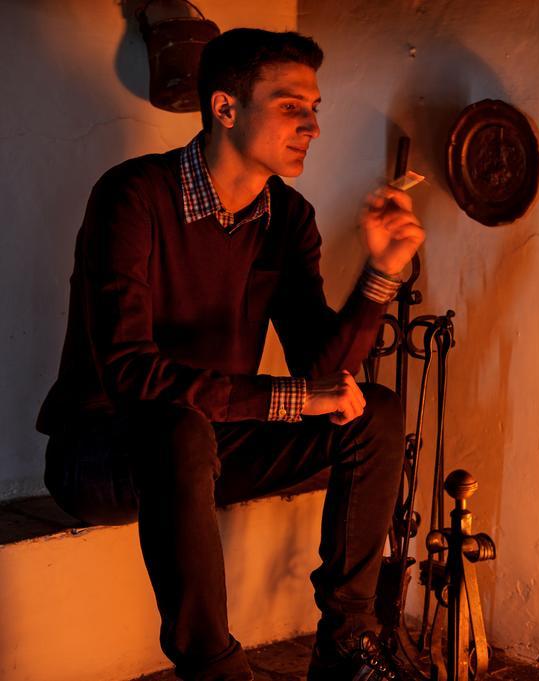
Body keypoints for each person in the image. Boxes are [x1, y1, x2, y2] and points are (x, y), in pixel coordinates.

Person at [36, 28, 424, 681]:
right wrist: (294, 397)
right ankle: (213, 668)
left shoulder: (288, 218)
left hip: (216, 441)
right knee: (179, 427)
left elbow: (322, 368)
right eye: (291, 105)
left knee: (375, 413)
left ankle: (346, 646)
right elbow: (132, 372)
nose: (312, 126)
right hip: (104, 451)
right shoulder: (132, 198)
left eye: (315, 108)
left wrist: (382, 272)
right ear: (225, 107)